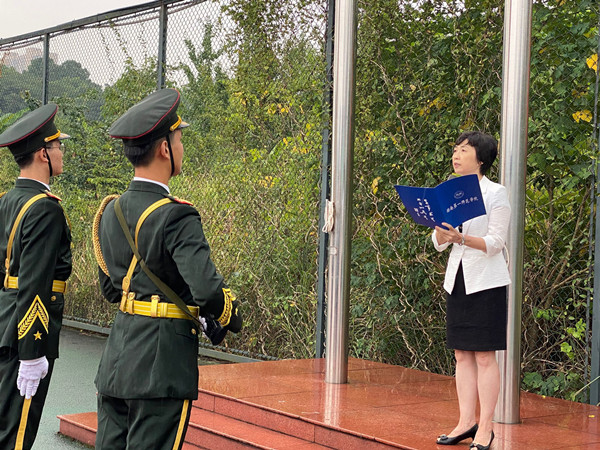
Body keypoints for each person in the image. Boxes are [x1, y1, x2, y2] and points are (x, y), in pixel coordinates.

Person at [92, 88, 242, 450]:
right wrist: (231, 315)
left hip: (116, 363)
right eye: (179, 139)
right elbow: (207, 290)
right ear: (164, 148)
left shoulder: (110, 211)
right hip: (160, 370)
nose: (181, 147)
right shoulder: (177, 215)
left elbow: (112, 290)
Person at [0, 103, 72, 450]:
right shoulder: (44, 208)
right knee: (16, 436)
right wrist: (32, 352)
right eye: (58, 146)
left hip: (4, 322)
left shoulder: (5, 200)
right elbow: (34, 283)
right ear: (43, 153)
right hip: (23, 337)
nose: (62, 153)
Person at [432, 131, 510, 450]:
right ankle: (466, 422)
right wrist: (442, 233)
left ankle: (486, 428)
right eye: (455, 149)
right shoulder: (449, 193)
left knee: (484, 355)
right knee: (461, 354)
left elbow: (496, 242)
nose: (456, 154)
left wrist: (461, 238)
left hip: (487, 282)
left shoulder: (496, 193)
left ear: (481, 159)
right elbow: (438, 243)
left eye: (464, 150)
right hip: (458, 279)